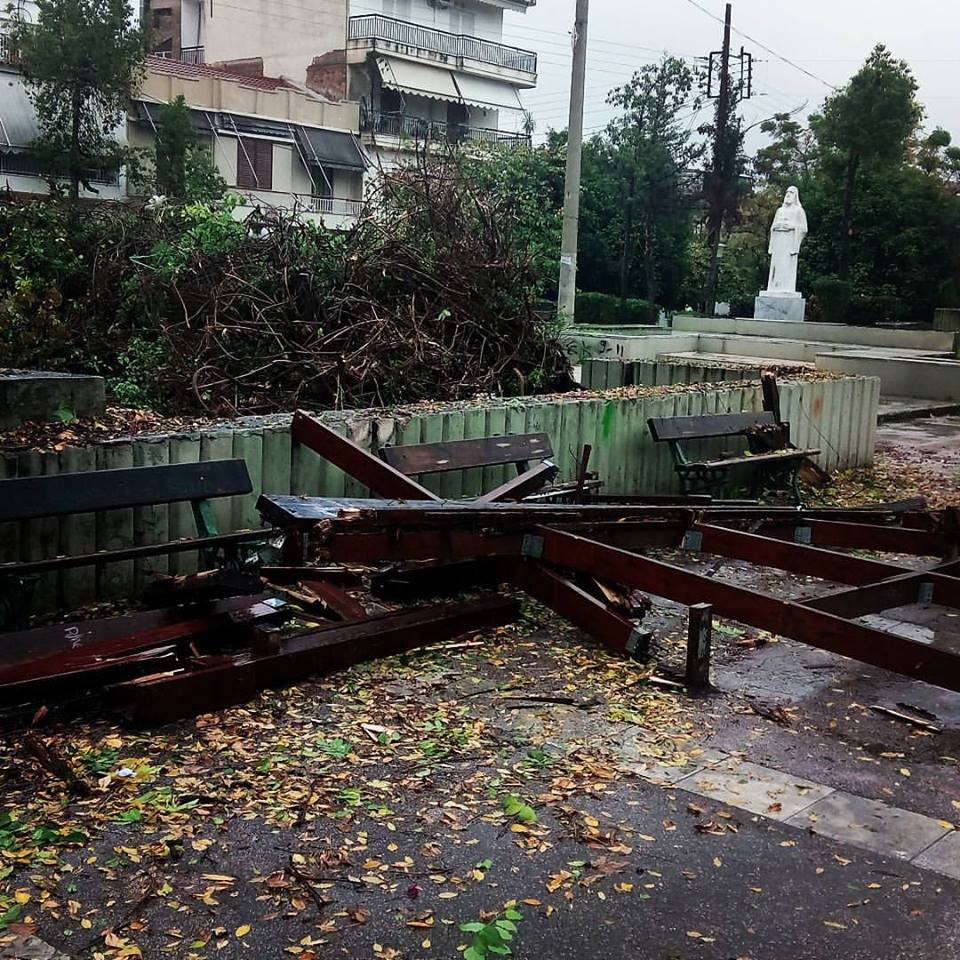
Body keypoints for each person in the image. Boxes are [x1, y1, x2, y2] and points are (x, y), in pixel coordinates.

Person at [765, 186, 808, 295]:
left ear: (795, 196)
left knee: (787, 267)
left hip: (789, 242)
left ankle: (787, 288)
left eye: (791, 193)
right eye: (787, 192)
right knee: (775, 267)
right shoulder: (779, 211)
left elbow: (804, 228)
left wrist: (792, 226)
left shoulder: (799, 211)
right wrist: (777, 226)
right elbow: (772, 226)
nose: (788, 195)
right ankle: (774, 287)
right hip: (778, 242)